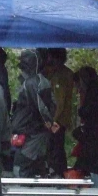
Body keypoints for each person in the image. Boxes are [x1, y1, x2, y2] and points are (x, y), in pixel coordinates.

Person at [10, 49, 56, 177]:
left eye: (23, 66)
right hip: (34, 134)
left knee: (20, 169)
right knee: (37, 168)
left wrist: (49, 122)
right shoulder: (40, 81)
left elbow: (40, 107)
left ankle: (20, 195)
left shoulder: (31, 83)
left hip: (31, 135)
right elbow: (50, 105)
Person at [72, 66, 98, 188]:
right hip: (95, 138)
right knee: (93, 168)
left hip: (96, 139)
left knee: (95, 169)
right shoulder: (95, 94)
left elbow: (89, 114)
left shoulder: (93, 96)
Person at [42, 48, 74, 177]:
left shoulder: (60, 76)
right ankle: (60, 171)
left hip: (58, 120)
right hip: (62, 119)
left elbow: (59, 101)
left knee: (55, 148)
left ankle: (57, 173)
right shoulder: (65, 73)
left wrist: (52, 120)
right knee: (58, 147)